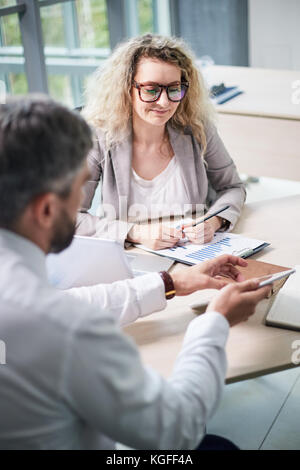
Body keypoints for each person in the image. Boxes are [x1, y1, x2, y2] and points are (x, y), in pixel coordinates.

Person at [0, 96, 270, 450]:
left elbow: (59, 304)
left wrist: (168, 283)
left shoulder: (30, 301)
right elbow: (178, 429)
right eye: (78, 189)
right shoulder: (72, 330)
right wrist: (215, 321)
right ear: (48, 208)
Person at [77, 33, 246, 250]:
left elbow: (232, 187)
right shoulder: (99, 138)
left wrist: (213, 222)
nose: (164, 102)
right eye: (151, 90)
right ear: (126, 88)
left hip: (194, 253)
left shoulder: (197, 128)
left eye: (174, 88)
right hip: (130, 254)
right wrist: (134, 232)